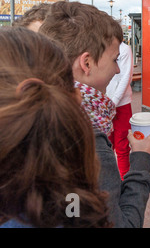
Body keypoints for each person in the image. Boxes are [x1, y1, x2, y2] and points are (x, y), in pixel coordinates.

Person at [38, 1, 150, 228]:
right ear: (86, 62)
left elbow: (71, 210)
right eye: (114, 60)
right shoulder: (86, 138)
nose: (117, 69)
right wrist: (142, 161)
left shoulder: (34, 111)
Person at [0, 27, 111, 228]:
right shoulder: (73, 203)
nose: (118, 69)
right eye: (115, 60)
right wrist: (141, 167)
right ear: (75, 99)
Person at [106, 41, 134, 179]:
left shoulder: (124, 49)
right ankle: (108, 181)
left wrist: (113, 102)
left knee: (122, 147)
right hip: (103, 103)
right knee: (105, 146)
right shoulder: (96, 45)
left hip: (121, 104)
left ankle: (124, 183)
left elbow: (125, 78)